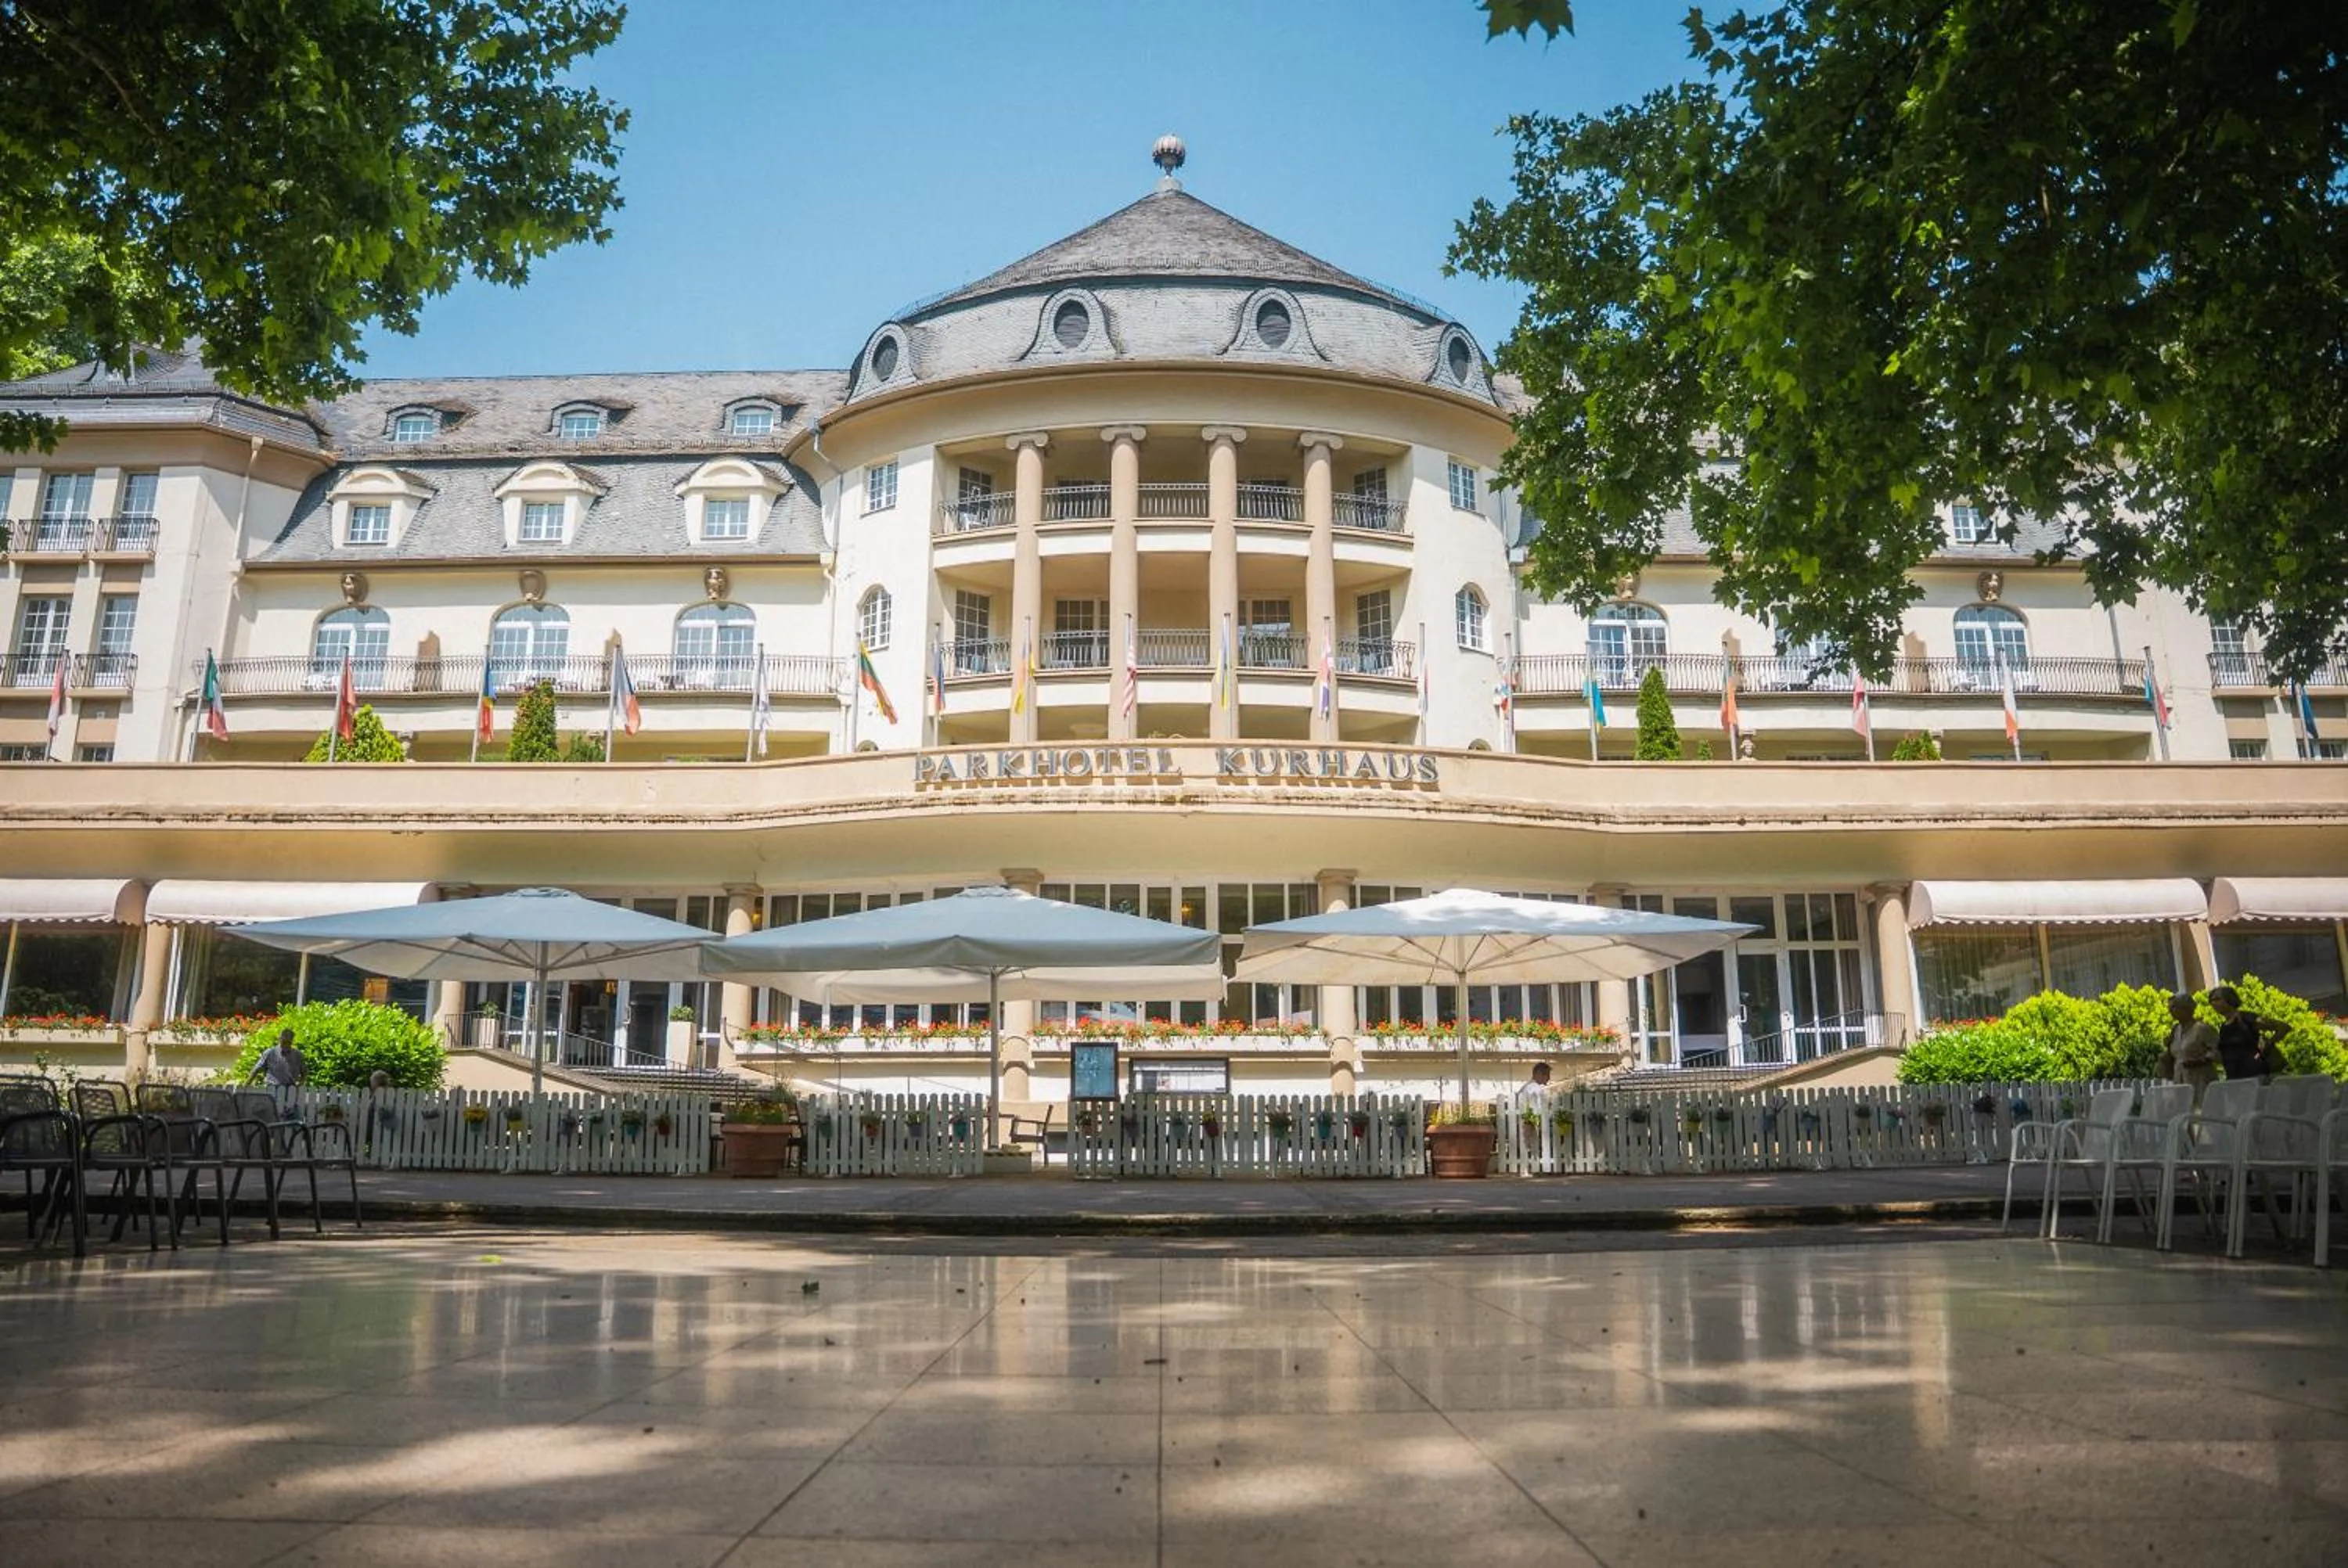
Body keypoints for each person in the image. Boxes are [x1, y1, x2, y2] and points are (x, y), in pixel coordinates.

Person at [2208, 985, 2288, 1084]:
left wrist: (2269, 1044)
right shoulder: (2224, 1027)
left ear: (2229, 999)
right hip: (2235, 1077)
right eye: (2211, 1000)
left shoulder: (2247, 1018)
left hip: (2255, 1075)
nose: (2213, 1003)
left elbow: (2283, 1027)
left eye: (2217, 999)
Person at [2155, 992, 2218, 1097]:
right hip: (2180, 1082)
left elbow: (2217, 1051)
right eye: (2170, 1008)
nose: (2171, 1011)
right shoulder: (2175, 1030)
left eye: (2174, 1007)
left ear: (2186, 1009)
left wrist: (2202, 1060)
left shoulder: (2202, 1029)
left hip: (2201, 1080)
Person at [246, 1028, 308, 1095]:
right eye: (284, 1042)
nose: (286, 1045)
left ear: (292, 1041)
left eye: (289, 1042)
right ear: (280, 1039)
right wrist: (246, 1086)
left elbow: (304, 1072)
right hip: (272, 1089)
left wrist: (300, 1085)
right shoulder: (270, 1053)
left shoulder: (298, 1055)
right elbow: (256, 1069)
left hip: (290, 1091)